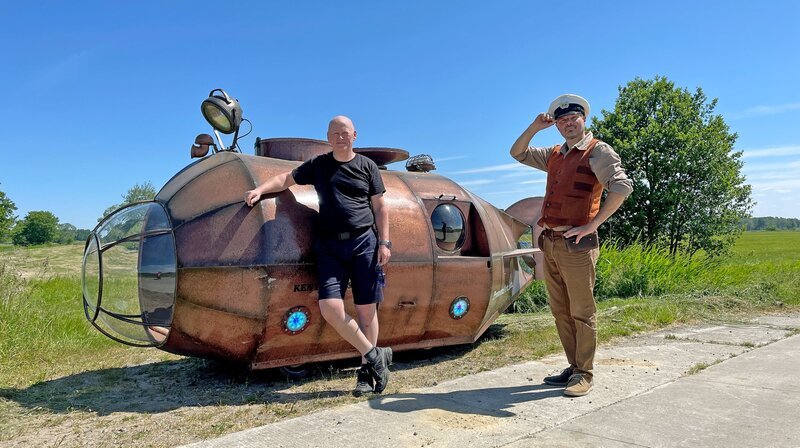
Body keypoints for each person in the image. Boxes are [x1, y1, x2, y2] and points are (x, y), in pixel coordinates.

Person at [245, 115, 393, 396]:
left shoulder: (367, 167)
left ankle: (366, 373)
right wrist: (259, 190)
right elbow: (284, 179)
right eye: (334, 133)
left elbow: (380, 207)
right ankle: (375, 356)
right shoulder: (319, 165)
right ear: (328, 137)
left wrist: (384, 243)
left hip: (364, 242)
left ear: (354, 135)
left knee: (365, 310)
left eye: (345, 132)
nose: (340, 137)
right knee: (330, 308)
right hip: (329, 247)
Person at [509, 94, 633, 397]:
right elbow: (517, 152)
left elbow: (622, 187)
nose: (568, 124)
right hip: (550, 243)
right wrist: (535, 126)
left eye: (573, 119)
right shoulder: (554, 154)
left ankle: (584, 373)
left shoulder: (598, 151)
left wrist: (593, 224)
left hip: (577, 245)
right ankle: (573, 365)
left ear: (583, 119)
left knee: (582, 311)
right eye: (562, 121)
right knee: (561, 311)